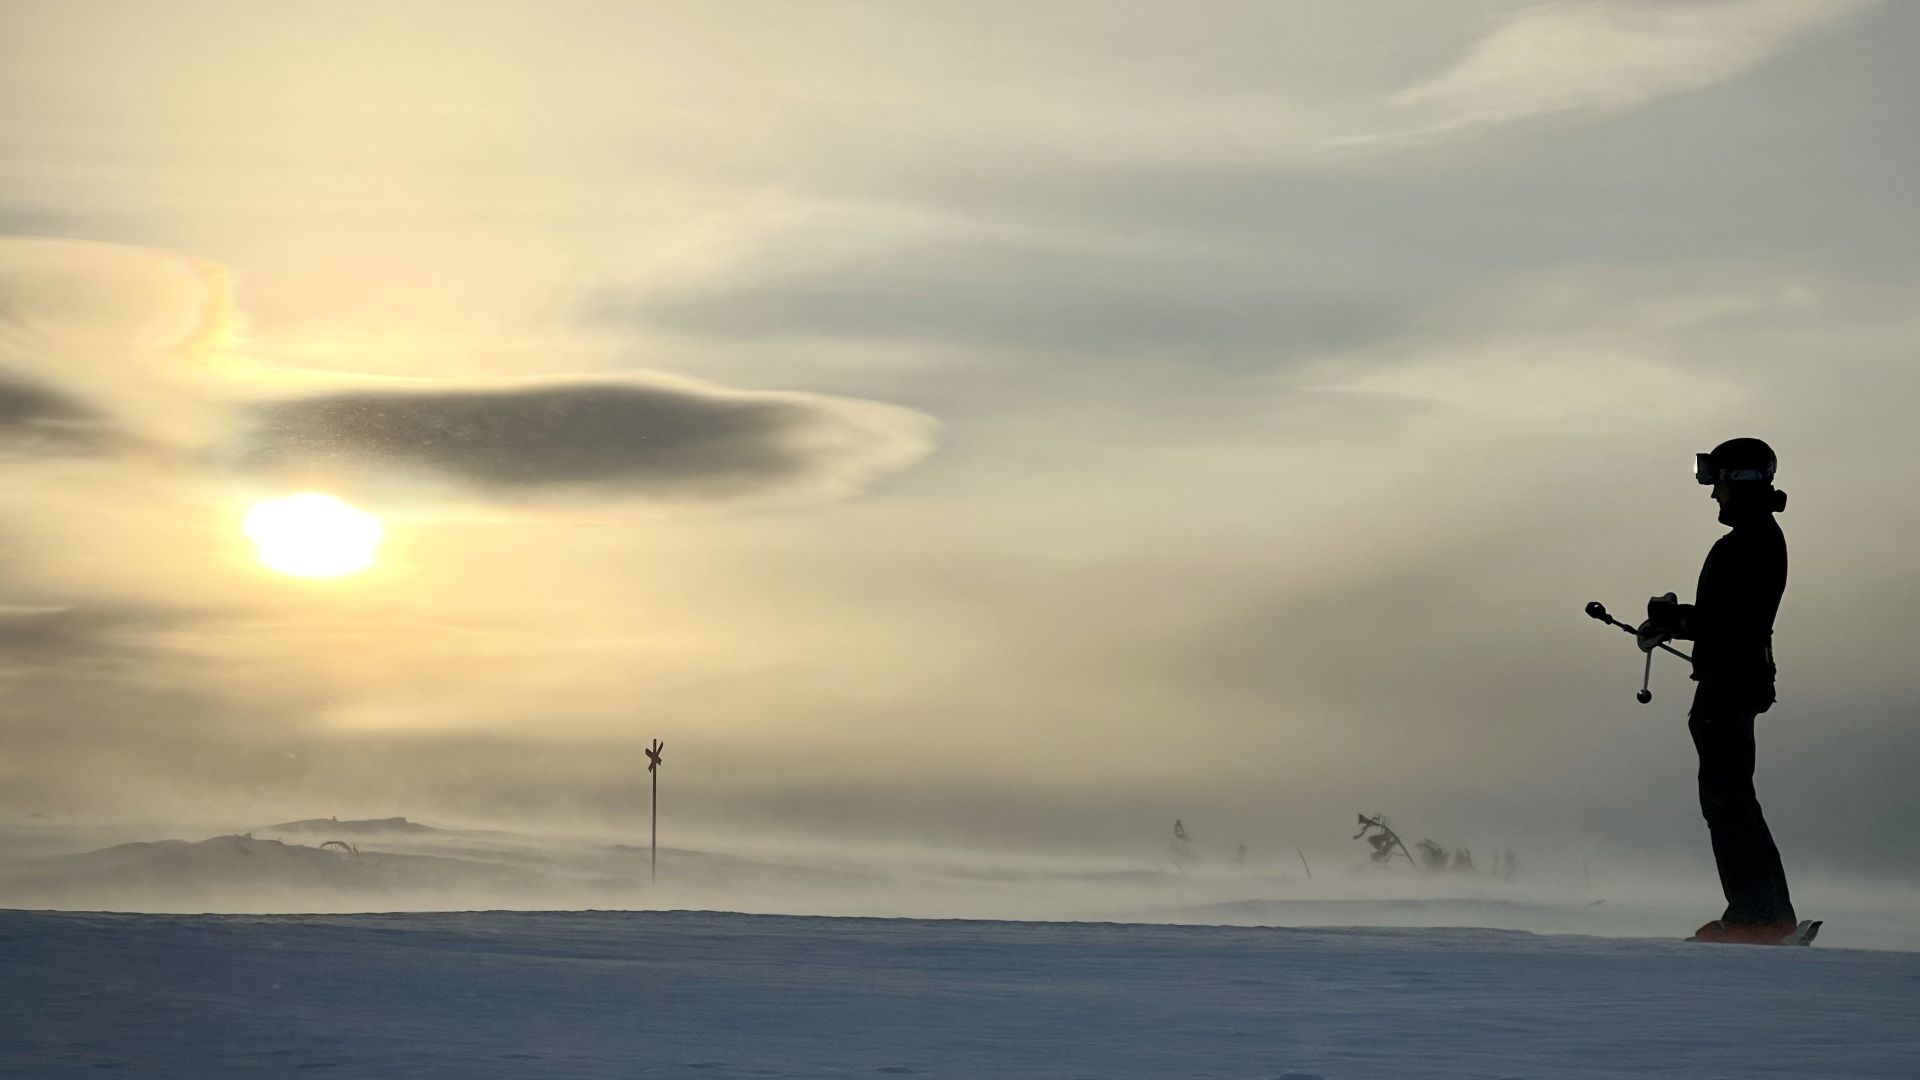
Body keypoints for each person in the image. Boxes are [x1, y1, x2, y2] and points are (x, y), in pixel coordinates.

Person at [1636, 437, 1797, 943]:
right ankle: (1767, 912)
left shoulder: (1748, 543)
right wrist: (1678, 620)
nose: (1713, 494)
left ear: (1739, 482)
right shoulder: (1758, 537)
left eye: (1717, 481)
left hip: (1730, 685)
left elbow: (1732, 622)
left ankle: (1756, 916)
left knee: (1726, 799)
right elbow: (1731, 619)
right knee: (1734, 796)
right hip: (1736, 680)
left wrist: (1674, 619)